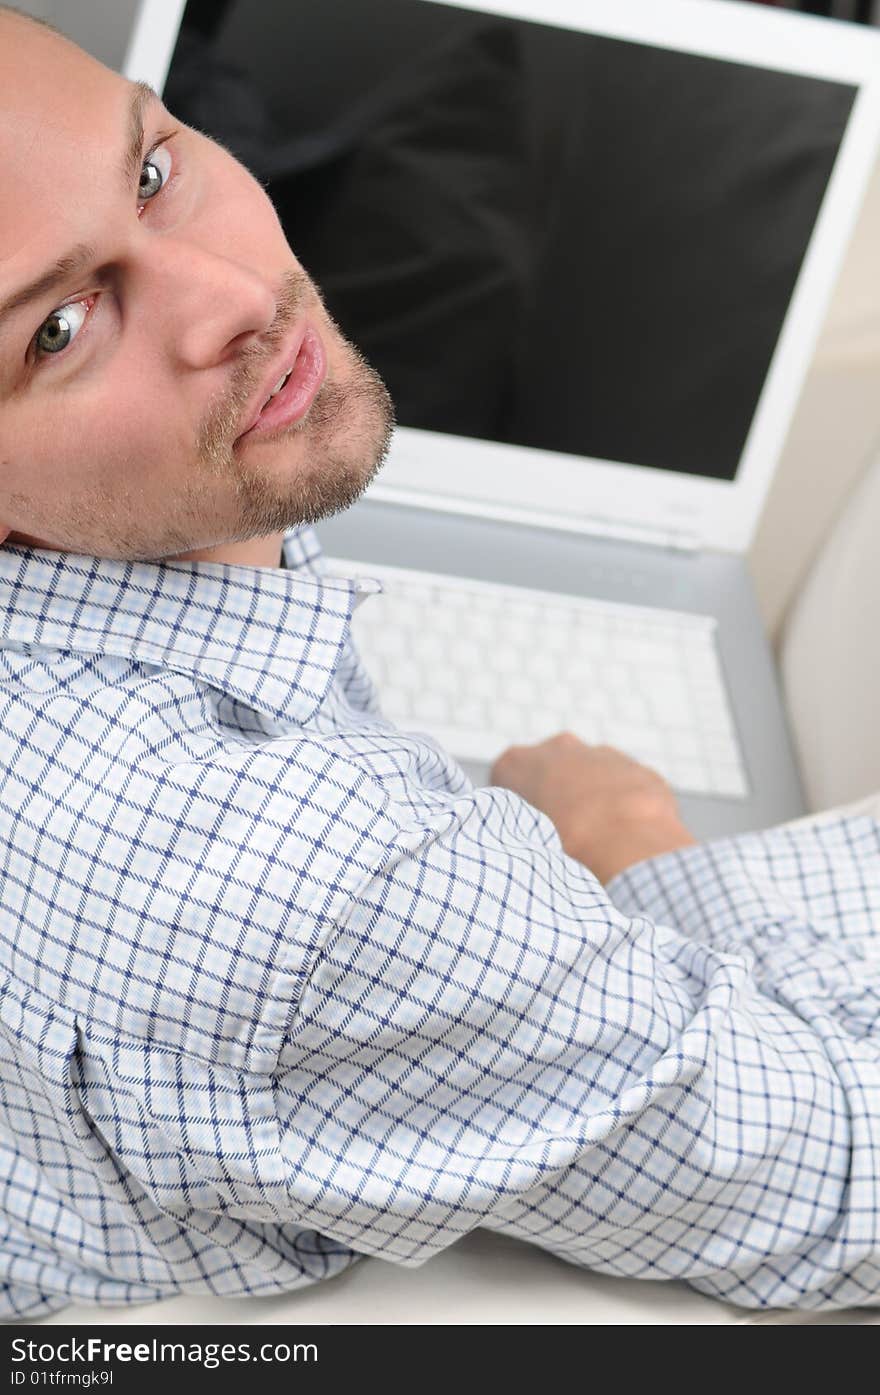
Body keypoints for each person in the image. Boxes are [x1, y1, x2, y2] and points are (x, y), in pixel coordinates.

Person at [0, 5, 878, 1321]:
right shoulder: (321, 880)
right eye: (57, 330)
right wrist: (637, 844)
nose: (240, 303)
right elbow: (842, 1179)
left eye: (152, 170)